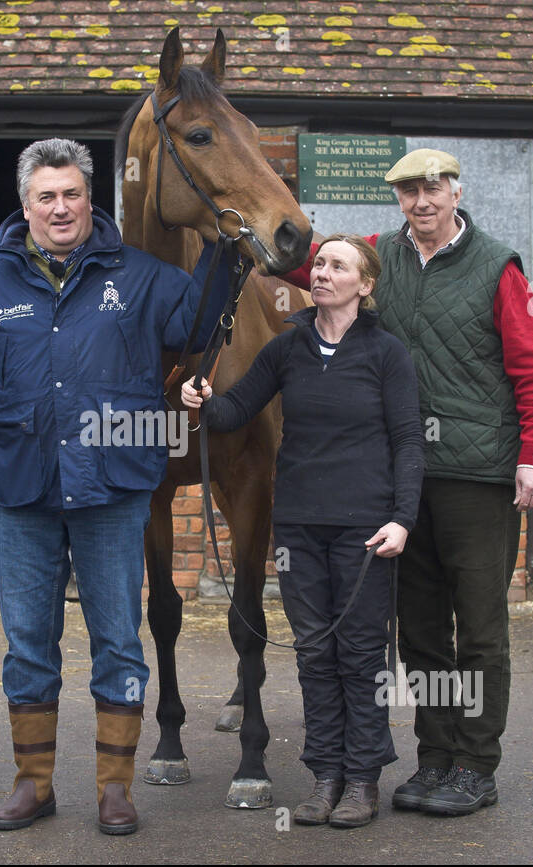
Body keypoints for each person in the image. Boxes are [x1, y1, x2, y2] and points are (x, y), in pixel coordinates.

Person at [0, 138, 227, 836]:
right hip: (22, 490)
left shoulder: (144, 276)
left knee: (118, 643)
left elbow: (202, 319)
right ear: (26, 205)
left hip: (112, 491)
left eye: (71, 194)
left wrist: (221, 238)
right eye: (46, 196)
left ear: (90, 198)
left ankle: (114, 788)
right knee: (27, 643)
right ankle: (33, 783)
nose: (60, 207)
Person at [282, 148, 533, 815]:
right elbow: (300, 257)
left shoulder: (498, 266)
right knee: (423, 629)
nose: (421, 202)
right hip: (404, 481)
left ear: (456, 191)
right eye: (409, 191)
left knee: (481, 626)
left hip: (478, 474)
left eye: (432, 189)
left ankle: (476, 763)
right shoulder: (379, 256)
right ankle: (434, 757)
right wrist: (243, 226)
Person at [182, 235, 423, 827]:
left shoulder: (387, 354)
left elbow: (410, 442)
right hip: (298, 527)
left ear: (364, 286)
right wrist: (201, 400)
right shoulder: (288, 350)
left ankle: (363, 779)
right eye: (318, 263)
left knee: (361, 653)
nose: (320, 273)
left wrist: (402, 519)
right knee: (314, 652)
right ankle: (325, 776)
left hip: (365, 528)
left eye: (337, 266)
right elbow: (236, 411)